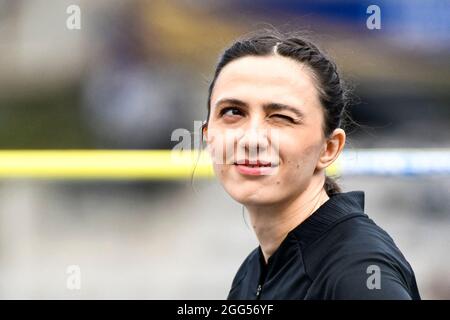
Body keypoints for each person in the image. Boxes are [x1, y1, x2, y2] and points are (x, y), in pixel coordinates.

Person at [201, 30, 421, 300]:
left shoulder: (357, 269)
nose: (251, 138)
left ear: (329, 148)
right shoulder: (253, 271)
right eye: (233, 112)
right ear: (207, 134)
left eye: (281, 116)